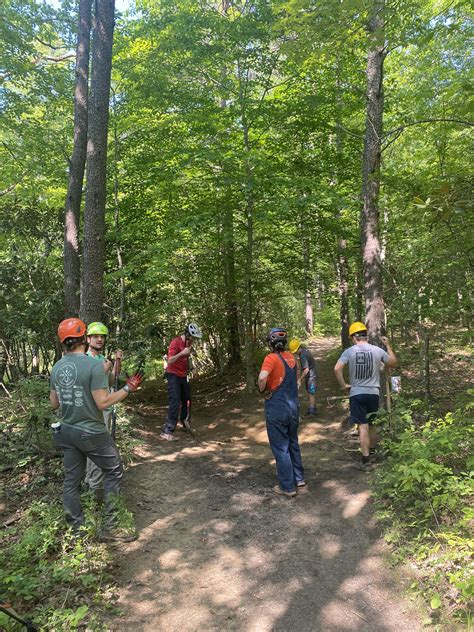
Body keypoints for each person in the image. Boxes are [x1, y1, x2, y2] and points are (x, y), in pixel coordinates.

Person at [50, 318, 144, 541]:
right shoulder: (94, 365)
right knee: (114, 471)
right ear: (84, 338)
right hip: (91, 431)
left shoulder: (57, 366)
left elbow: (54, 403)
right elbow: (103, 403)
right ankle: (111, 527)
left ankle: (77, 531)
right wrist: (128, 388)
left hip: (66, 430)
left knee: (71, 481)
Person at [333, 321, 398, 471]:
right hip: (373, 393)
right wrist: (388, 346)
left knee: (362, 426)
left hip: (357, 393)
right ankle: (373, 451)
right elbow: (394, 363)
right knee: (372, 424)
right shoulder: (377, 350)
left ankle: (366, 459)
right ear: (365, 335)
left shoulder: (349, 351)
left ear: (353, 337)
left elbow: (337, 369)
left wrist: (344, 385)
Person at [258, 327, 305, 497]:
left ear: (271, 342)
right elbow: (296, 378)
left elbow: (263, 377)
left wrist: (262, 390)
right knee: (293, 442)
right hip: (293, 406)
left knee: (281, 447)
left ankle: (287, 487)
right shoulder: (292, 357)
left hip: (277, 407)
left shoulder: (270, 358)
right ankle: (299, 478)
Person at [84, 322, 122, 500]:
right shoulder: (85, 359)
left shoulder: (102, 358)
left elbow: (113, 380)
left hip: (105, 408)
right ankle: (94, 488)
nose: (100, 339)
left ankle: (92, 482)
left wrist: (117, 362)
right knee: (97, 447)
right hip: (93, 410)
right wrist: (103, 369)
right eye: (96, 336)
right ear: (88, 339)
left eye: (102, 336)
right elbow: (85, 383)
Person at [160, 322, 202, 441]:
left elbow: (186, 358)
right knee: (175, 400)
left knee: (187, 398)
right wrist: (182, 353)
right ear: (187, 334)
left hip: (183, 375)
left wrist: (190, 367)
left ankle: (184, 421)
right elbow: (170, 360)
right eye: (192, 337)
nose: (194, 340)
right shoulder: (175, 342)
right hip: (172, 374)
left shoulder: (189, 343)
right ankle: (167, 431)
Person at [289, 338, 317, 417]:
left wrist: (299, 380)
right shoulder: (305, 350)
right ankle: (313, 408)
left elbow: (306, 370)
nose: (295, 354)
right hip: (312, 375)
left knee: (311, 394)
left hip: (311, 376)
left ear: (298, 349)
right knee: (311, 393)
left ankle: (312, 412)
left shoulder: (302, 355)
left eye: (295, 352)